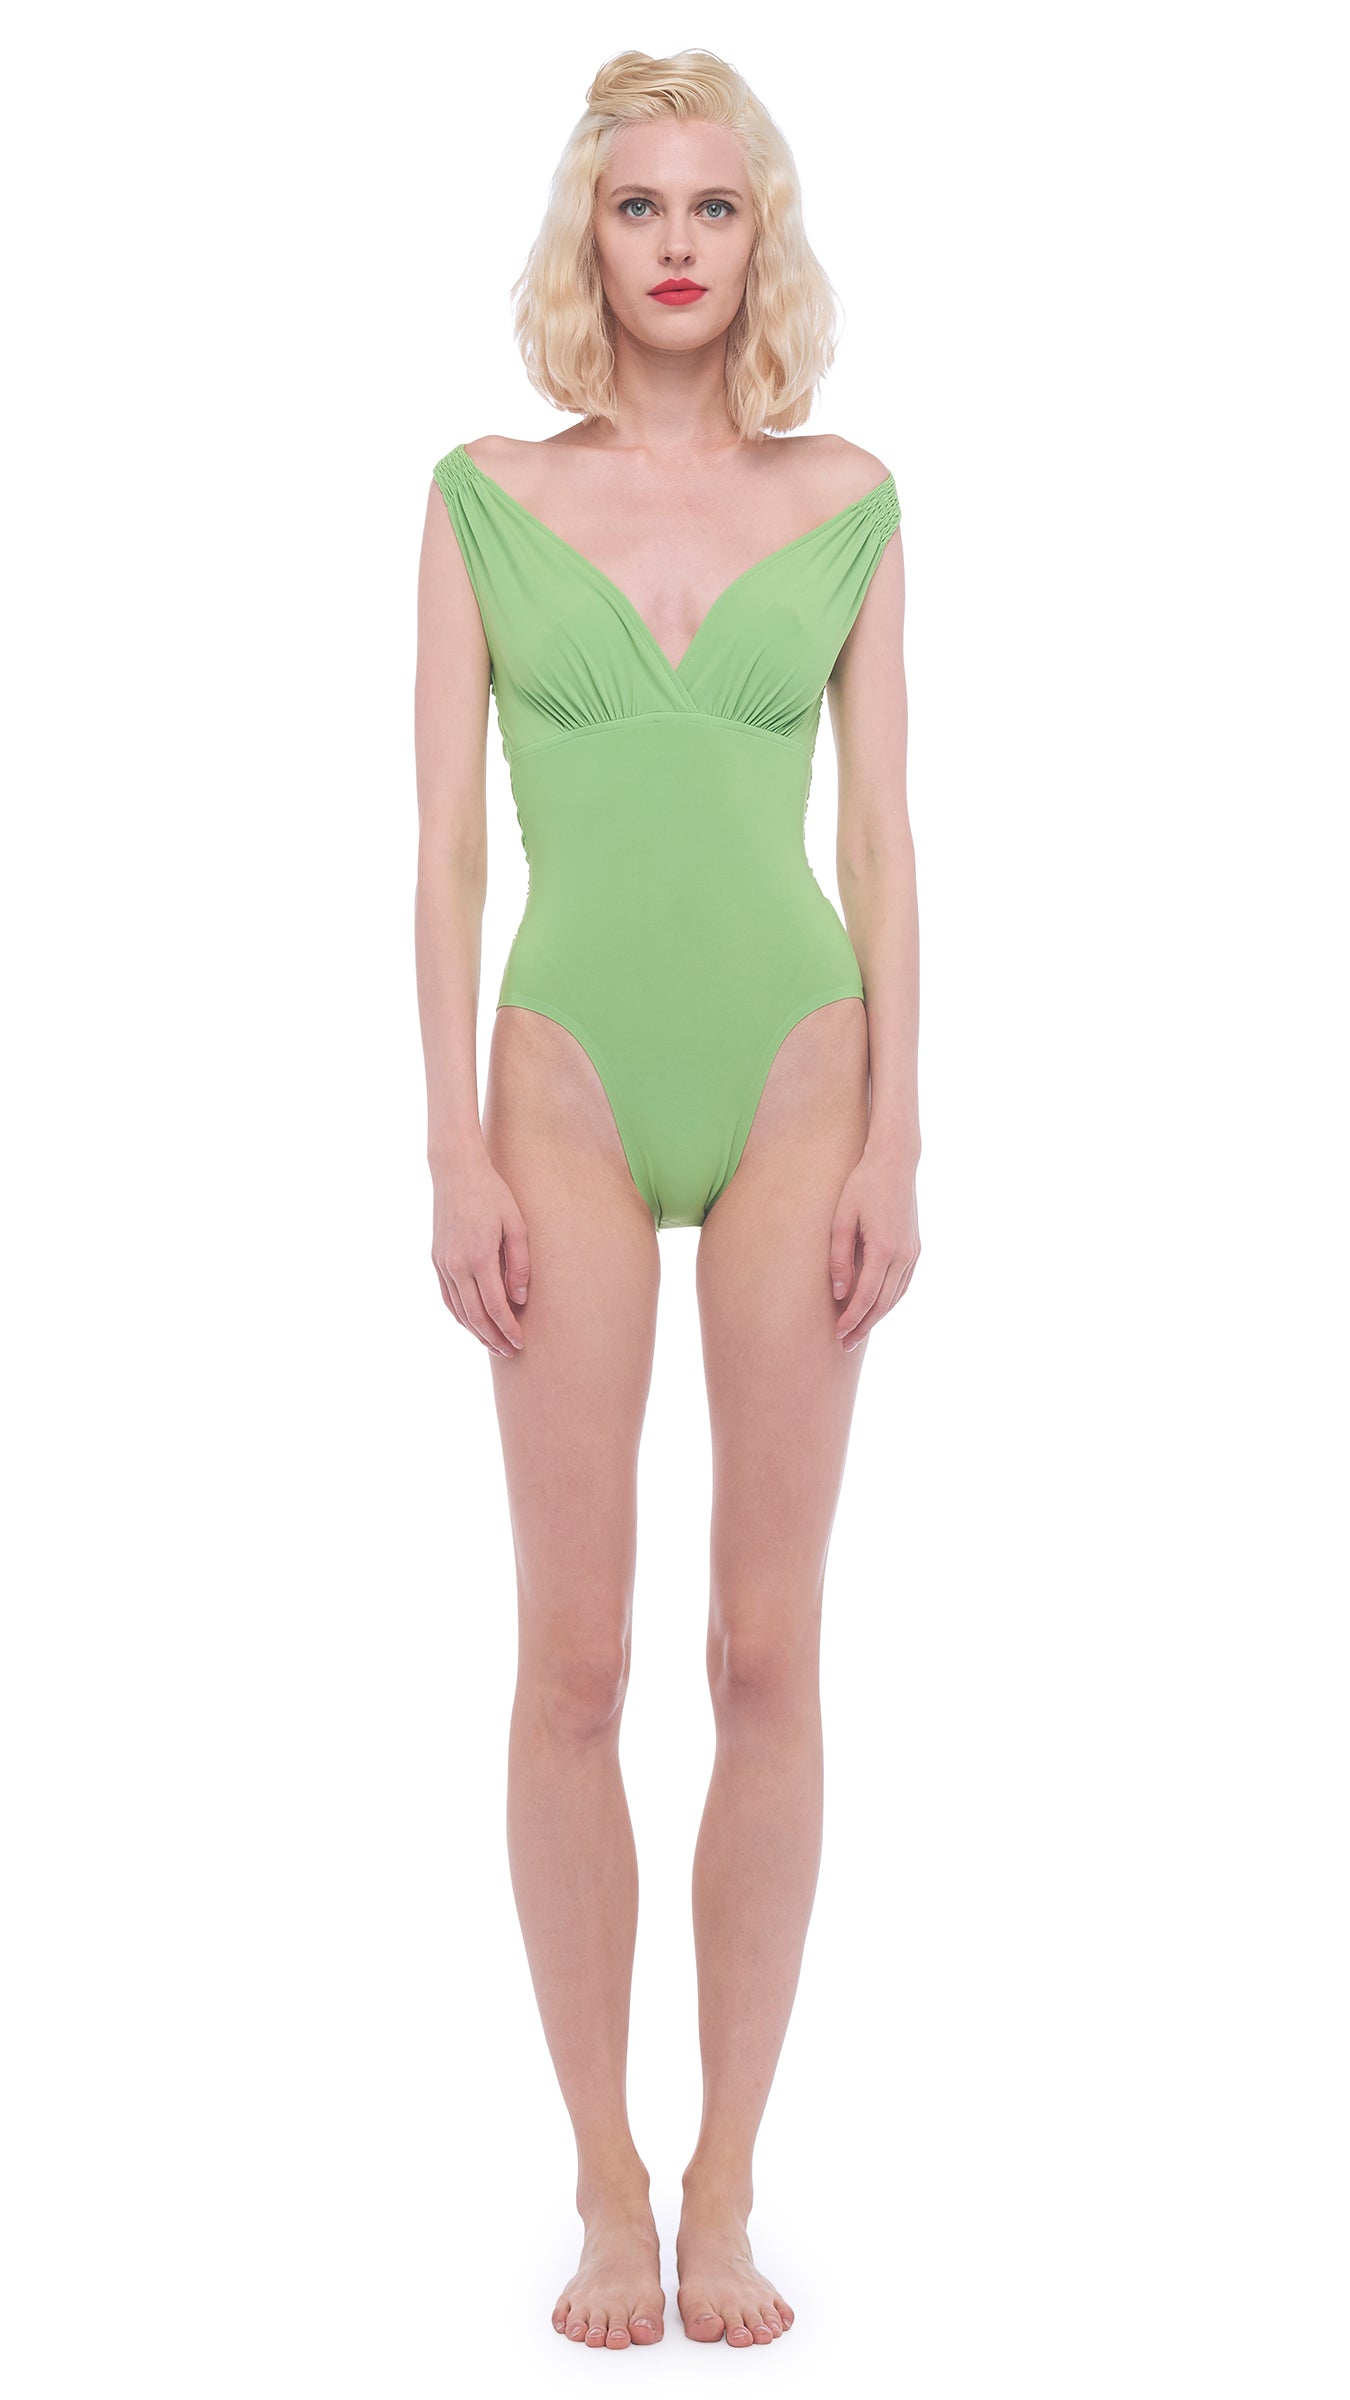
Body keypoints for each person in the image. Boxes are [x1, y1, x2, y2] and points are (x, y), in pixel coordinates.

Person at [413, 46, 920, 2352]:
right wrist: (447, 1141)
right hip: (563, 1086)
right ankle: (604, 2180)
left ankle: (730, 2179)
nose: (681, 245)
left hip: (806, 1071)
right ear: (590, 237)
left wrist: (902, 1131)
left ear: (760, 233)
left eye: (717, 207)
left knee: (767, 1650)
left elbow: (883, 838)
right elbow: (441, 852)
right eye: (642, 209)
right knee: (580, 1657)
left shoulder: (853, 496)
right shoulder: (483, 498)